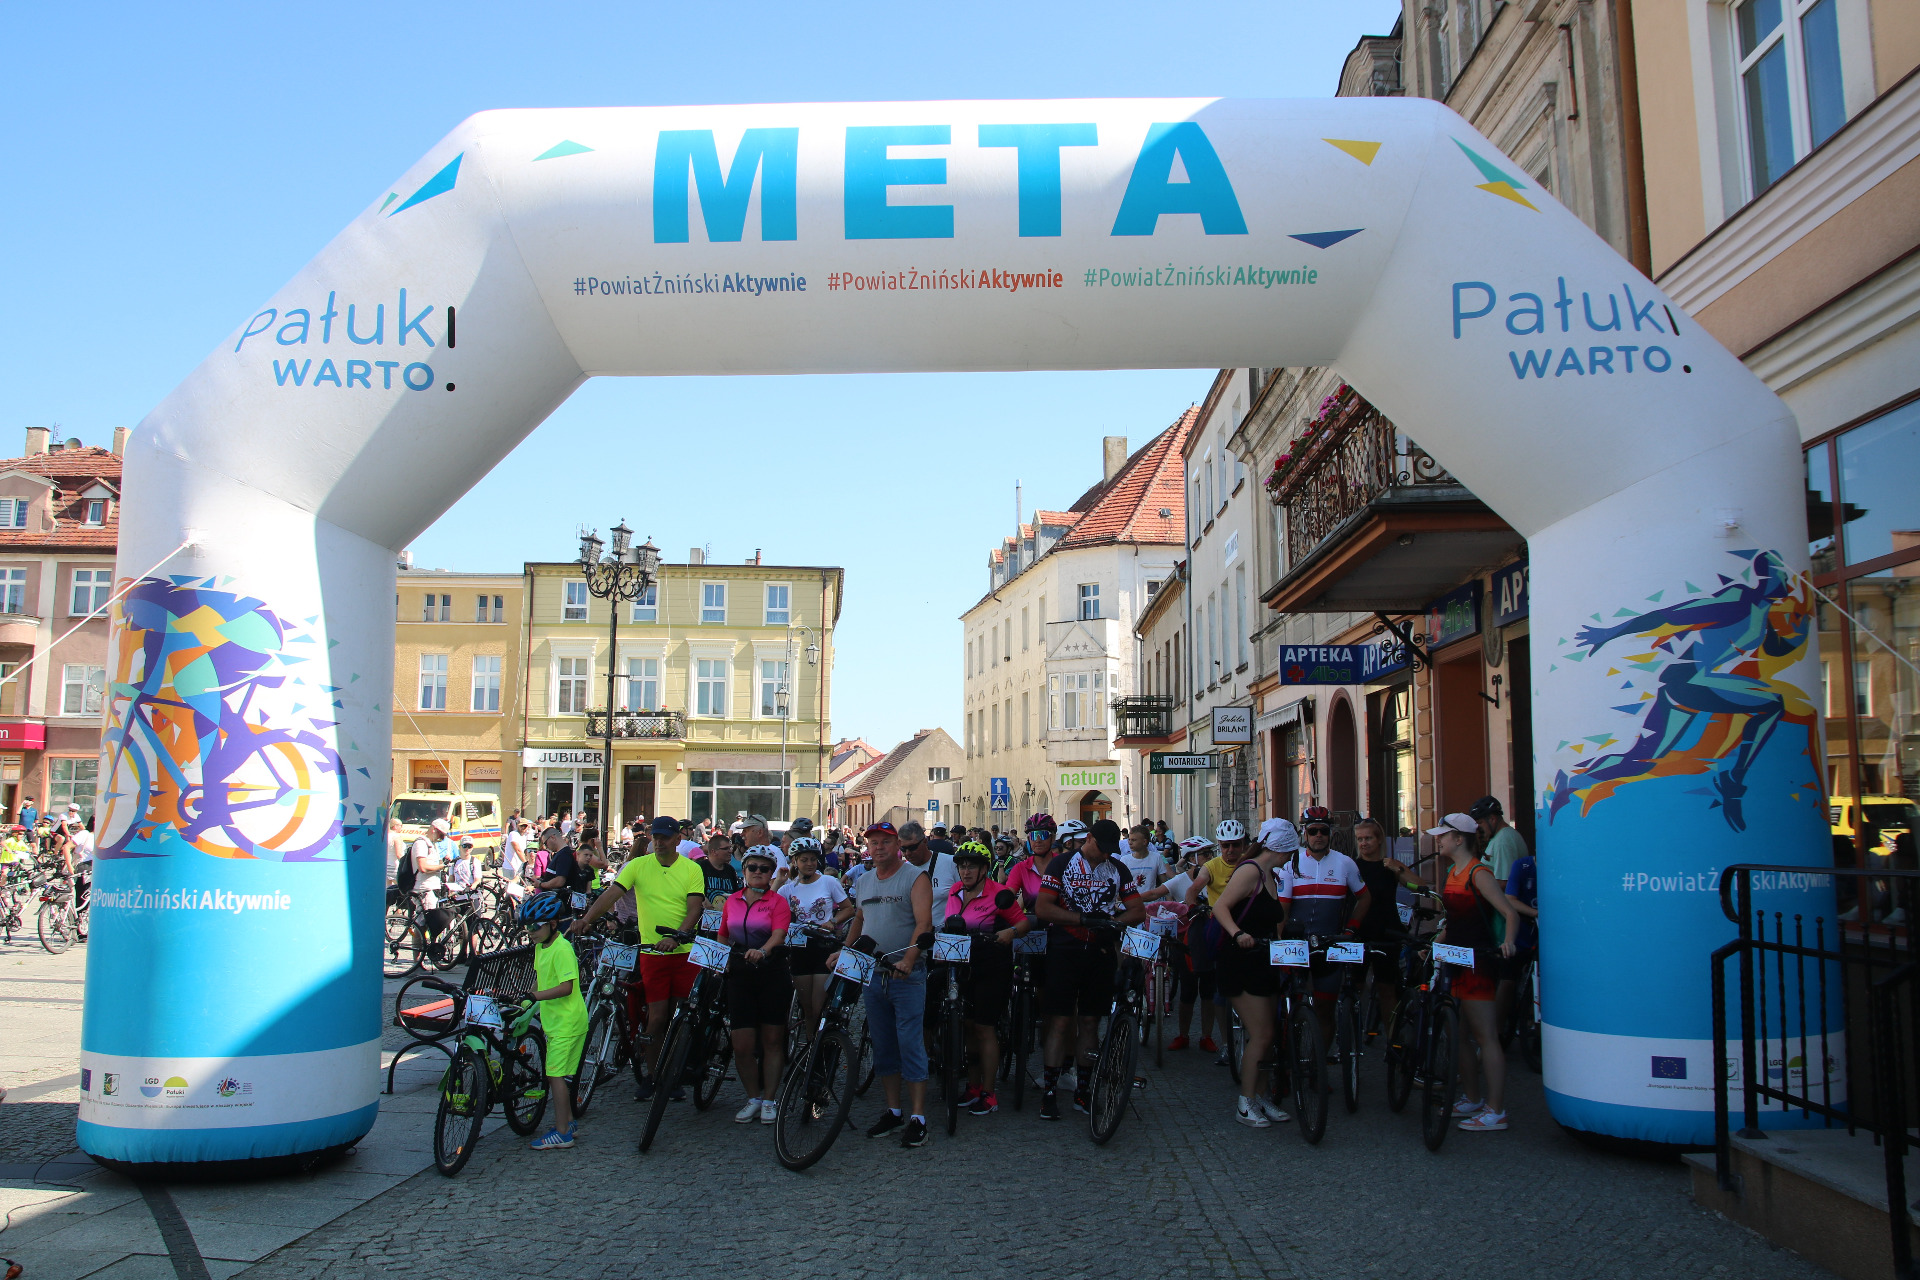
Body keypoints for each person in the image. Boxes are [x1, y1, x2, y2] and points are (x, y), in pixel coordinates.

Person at [571, 815, 705, 1100]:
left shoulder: (692, 869)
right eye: (655, 837)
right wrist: (586, 919)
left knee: (679, 1018)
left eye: (665, 837)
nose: (659, 842)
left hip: (682, 953)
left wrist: (677, 936)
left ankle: (676, 1073)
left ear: (678, 839)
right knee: (656, 1018)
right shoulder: (638, 865)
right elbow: (611, 895)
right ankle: (653, 1076)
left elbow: (695, 908)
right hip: (652, 953)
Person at [1034, 817, 1144, 1120]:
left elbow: (1138, 910)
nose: (1106, 853)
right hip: (1064, 951)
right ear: (1089, 838)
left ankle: (1083, 1090)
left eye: (1111, 849)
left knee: (1090, 1022)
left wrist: (1113, 922)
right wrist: (1081, 919)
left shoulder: (1117, 868)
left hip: (1100, 952)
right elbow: (1043, 908)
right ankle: (1050, 1091)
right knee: (1059, 1022)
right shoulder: (1061, 864)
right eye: (1101, 847)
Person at [1429, 812, 1522, 1132]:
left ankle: (1496, 1110)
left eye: (1443, 835)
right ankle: (1472, 1098)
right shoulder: (1452, 872)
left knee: (1485, 1036)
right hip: (1454, 960)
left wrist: (1508, 942)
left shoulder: (1478, 872)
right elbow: (1454, 921)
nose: (1438, 840)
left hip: (1478, 962)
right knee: (1458, 1034)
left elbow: (1510, 913)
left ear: (1459, 839)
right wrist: (1434, 943)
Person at [845, 821, 935, 1148]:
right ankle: (894, 1110)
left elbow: (924, 923)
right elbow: (859, 919)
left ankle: (918, 1116)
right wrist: (845, 952)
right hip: (874, 975)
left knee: (910, 1043)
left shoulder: (915, 877)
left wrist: (909, 959)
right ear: (867, 847)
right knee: (882, 1045)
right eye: (873, 843)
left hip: (906, 976)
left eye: (885, 841)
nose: (879, 847)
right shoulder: (864, 880)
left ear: (897, 845)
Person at [1212, 818, 1297, 1128]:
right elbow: (1220, 907)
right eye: (1291, 851)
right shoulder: (1250, 871)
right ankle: (1245, 1102)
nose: (1292, 856)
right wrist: (1238, 934)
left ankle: (1261, 1097)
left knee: (1269, 1035)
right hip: (1240, 961)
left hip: (1263, 961)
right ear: (1281, 849)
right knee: (1261, 1034)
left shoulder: (1270, 874)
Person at [944, 841, 1029, 1114]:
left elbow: (1023, 922)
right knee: (968, 1026)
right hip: (963, 965)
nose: (965, 871)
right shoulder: (955, 891)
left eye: (971, 866)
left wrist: (1009, 933)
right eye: (962, 866)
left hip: (992, 966)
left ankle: (990, 1094)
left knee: (984, 1027)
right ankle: (973, 1085)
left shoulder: (999, 894)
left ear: (984, 869)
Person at [1285, 807, 1371, 1047]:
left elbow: (1365, 898)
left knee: (1325, 1008)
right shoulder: (1292, 862)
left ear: (1331, 833)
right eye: (1313, 831)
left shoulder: (1345, 863)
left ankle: (1318, 1063)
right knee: (1291, 1004)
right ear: (1305, 833)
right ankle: (1290, 1057)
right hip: (1297, 944)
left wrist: (1351, 929)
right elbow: (1282, 907)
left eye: (1324, 831)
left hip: (1330, 943)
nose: (1319, 836)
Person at [720, 848, 793, 1124]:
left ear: (771, 873)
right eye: (753, 867)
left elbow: (779, 934)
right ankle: (753, 1097)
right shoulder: (732, 901)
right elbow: (723, 934)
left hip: (771, 971)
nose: (758, 872)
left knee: (772, 1040)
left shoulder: (778, 902)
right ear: (744, 871)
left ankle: (770, 1099)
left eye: (764, 869)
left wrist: (763, 951)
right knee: (741, 1044)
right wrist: (721, 958)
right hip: (740, 974)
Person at [523, 891, 588, 1150]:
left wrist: (535, 996)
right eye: (527, 927)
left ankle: (562, 1134)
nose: (530, 932)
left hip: (567, 1022)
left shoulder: (562, 949)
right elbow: (540, 979)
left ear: (552, 924)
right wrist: (526, 999)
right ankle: (569, 1123)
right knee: (556, 1075)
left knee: (555, 1075)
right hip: (557, 1022)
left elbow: (566, 987)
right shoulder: (541, 947)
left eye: (534, 927)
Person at [1182, 820, 1251, 1055]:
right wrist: (1193, 906)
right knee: (1220, 990)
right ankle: (1226, 1043)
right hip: (1221, 929)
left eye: (1236, 845)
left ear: (1243, 844)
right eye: (1225, 846)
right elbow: (1193, 889)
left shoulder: (1251, 864)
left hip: (1249, 927)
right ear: (1219, 846)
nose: (1230, 850)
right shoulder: (1211, 866)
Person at [778, 837, 853, 1042]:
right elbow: (770, 906)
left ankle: (818, 1045)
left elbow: (848, 909)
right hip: (799, 948)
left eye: (813, 859)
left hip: (823, 946)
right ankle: (811, 1046)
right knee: (808, 1008)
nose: (810, 864)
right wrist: (778, 881)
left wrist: (832, 921)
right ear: (795, 861)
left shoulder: (828, 882)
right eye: (804, 860)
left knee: (818, 1005)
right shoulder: (788, 888)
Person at [1351, 818, 1418, 1032]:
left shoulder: (1389, 865)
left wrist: (1398, 869)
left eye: (1368, 838)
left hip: (1386, 932)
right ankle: (1351, 1036)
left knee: (1387, 989)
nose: (1364, 843)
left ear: (1379, 839)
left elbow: (1419, 886)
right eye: (1360, 839)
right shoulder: (1352, 866)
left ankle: (1392, 1039)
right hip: (1358, 932)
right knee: (1354, 987)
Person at [899, 821, 959, 927]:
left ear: (925, 842)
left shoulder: (950, 863)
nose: (908, 853)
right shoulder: (903, 871)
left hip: (944, 933)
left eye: (912, 848)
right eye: (903, 849)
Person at [1470, 795, 1529, 882]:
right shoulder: (1502, 836)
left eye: (1480, 823)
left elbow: (1504, 882)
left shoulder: (1503, 840)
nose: (1478, 828)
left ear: (1492, 819)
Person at [1118, 824, 1172, 902]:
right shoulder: (1124, 860)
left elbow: (1164, 884)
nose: (1130, 843)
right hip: (1132, 904)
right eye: (1129, 839)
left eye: (1134, 840)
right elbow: (1120, 886)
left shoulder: (1156, 858)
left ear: (1144, 841)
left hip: (1151, 904)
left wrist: (1170, 903)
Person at [694, 830, 743, 907]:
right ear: (714, 851)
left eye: (730, 848)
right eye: (726, 848)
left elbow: (735, 894)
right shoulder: (699, 867)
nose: (730, 851)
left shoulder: (730, 870)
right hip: (705, 913)